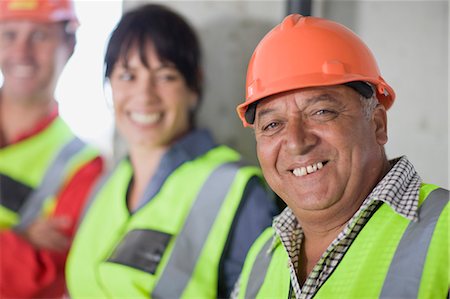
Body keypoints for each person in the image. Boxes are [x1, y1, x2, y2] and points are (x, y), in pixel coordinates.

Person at [65, 4, 278, 298]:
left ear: (194, 87)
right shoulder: (105, 185)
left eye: (165, 76)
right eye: (128, 76)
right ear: (109, 85)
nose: (145, 95)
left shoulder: (235, 190)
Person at [233, 14, 449, 299]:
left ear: (377, 124)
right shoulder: (261, 258)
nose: (297, 143)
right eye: (273, 125)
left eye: (321, 112)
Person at [0, 0, 104, 298]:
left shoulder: (83, 166)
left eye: (39, 36)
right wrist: (18, 239)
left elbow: (37, 278)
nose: (22, 52)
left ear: (69, 43)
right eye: (9, 35)